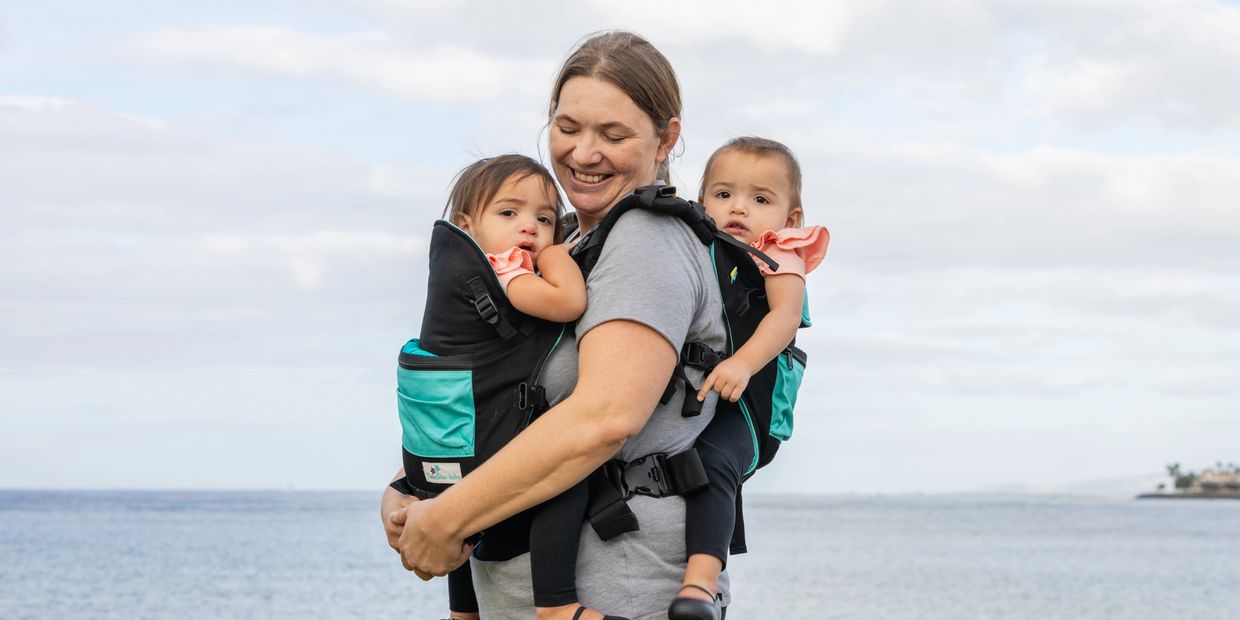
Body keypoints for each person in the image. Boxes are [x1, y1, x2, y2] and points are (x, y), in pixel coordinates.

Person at [381, 31, 730, 620]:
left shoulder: (645, 241)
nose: (584, 153)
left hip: (621, 592)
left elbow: (603, 417)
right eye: (568, 128)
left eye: (613, 135)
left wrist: (444, 517)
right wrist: (414, 484)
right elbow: (510, 391)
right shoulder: (564, 239)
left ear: (667, 138)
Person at [392, 154, 597, 619]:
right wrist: (555, 254)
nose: (529, 227)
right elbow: (568, 302)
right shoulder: (508, 270)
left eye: (545, 219)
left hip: (450, 446)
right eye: (509, 213)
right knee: (564, 482)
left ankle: (463, 612)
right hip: (485, 448)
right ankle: (557, 603)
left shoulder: (471, 276)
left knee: (466, 514)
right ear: (466, 225)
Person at [668, 137, 828, 619]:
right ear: (701, 202)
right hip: (705, 391)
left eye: (760, 199)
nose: (739, 207)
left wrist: (742, 363)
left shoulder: (780, 251)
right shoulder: (696, 244)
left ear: (791, 218)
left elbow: (783, 318)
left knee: (712, 460)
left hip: (750, 408)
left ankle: (700, 585)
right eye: (723, 194)